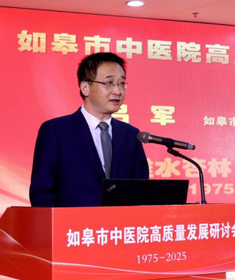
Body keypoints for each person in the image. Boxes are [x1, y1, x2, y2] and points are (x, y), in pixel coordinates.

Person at [29, 52, 149, 207]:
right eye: (109, 83)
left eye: (121, 83)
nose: (118, 91)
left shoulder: (131, 135)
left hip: (121, 223)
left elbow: (141, 192)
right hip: (71, 222)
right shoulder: (56, 131)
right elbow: (42, 194)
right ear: (85, 88)